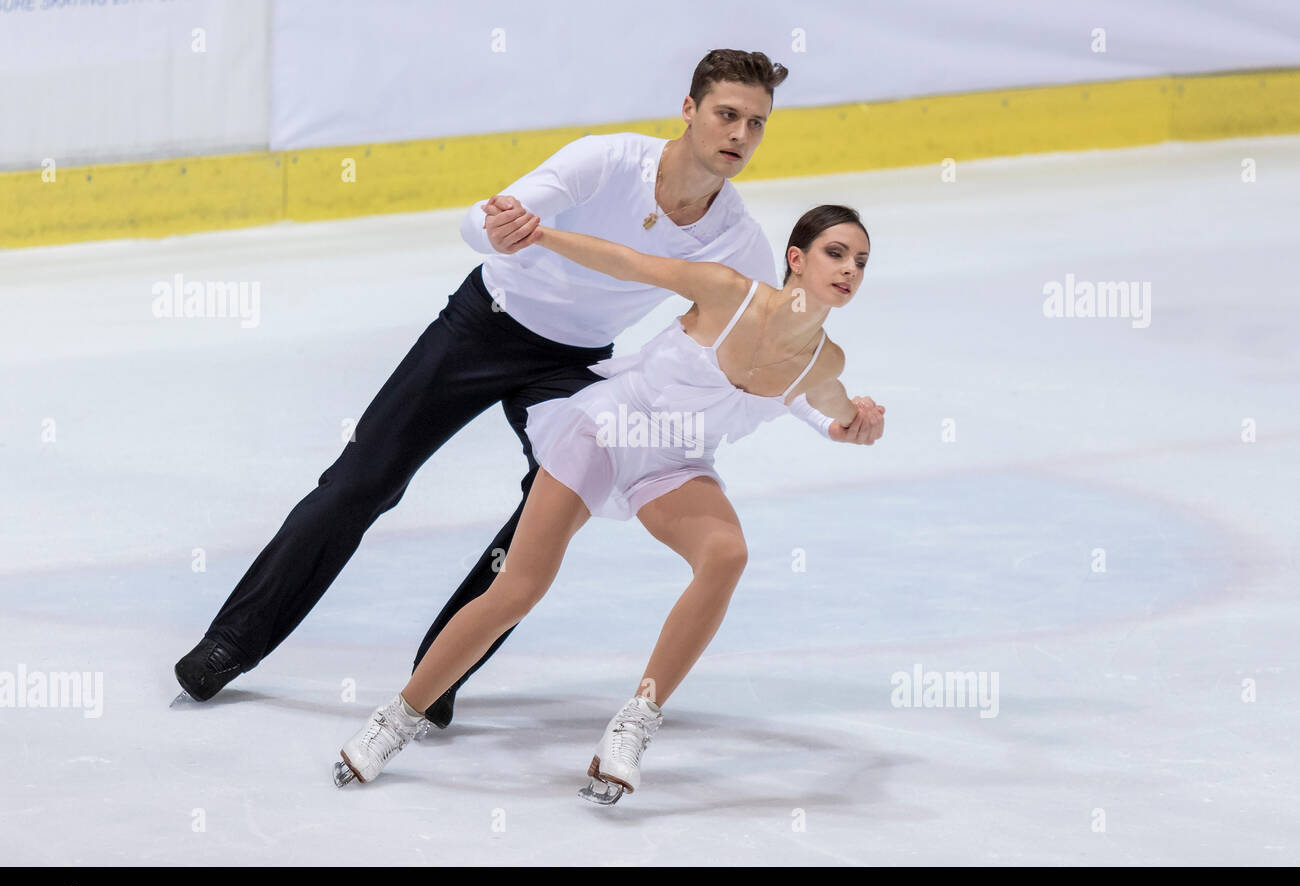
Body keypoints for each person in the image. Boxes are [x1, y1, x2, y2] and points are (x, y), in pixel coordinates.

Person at [174, 50, 881, 726]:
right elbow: (480, 221)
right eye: (727, 114)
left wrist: (832, 424)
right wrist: (498, 233)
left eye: (756, 123)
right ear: (689, 109)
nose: (740, 134)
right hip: (483, 327)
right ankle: (231, 644)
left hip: (572, 366)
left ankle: (440, 674)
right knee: (363, 480)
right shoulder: (607, 160)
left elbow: (775, 356)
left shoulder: (735, 238)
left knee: (547, 512)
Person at [333, 204, 885, 804]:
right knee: (520, 587)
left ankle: (634, 724)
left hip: (676, 462)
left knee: (726, 555)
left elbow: (823, 399)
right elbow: (630, 262)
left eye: (860, 261)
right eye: (836, 253)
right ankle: (395, 720)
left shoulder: (825, 359)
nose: (850, 269)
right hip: (609, 426)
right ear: (797, 260)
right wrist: (538, 234)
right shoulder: (727, 293)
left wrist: (850, 426)